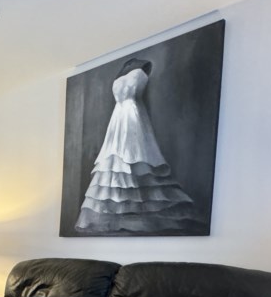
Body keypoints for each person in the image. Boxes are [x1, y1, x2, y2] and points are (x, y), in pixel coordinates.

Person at [74, 57, 200, 234]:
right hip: (117, 118)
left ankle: (144, 208)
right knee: (116, 162)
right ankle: (119, 207)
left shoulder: (145, 66)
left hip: (134, 115)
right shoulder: (125, 69)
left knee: (137, 157)